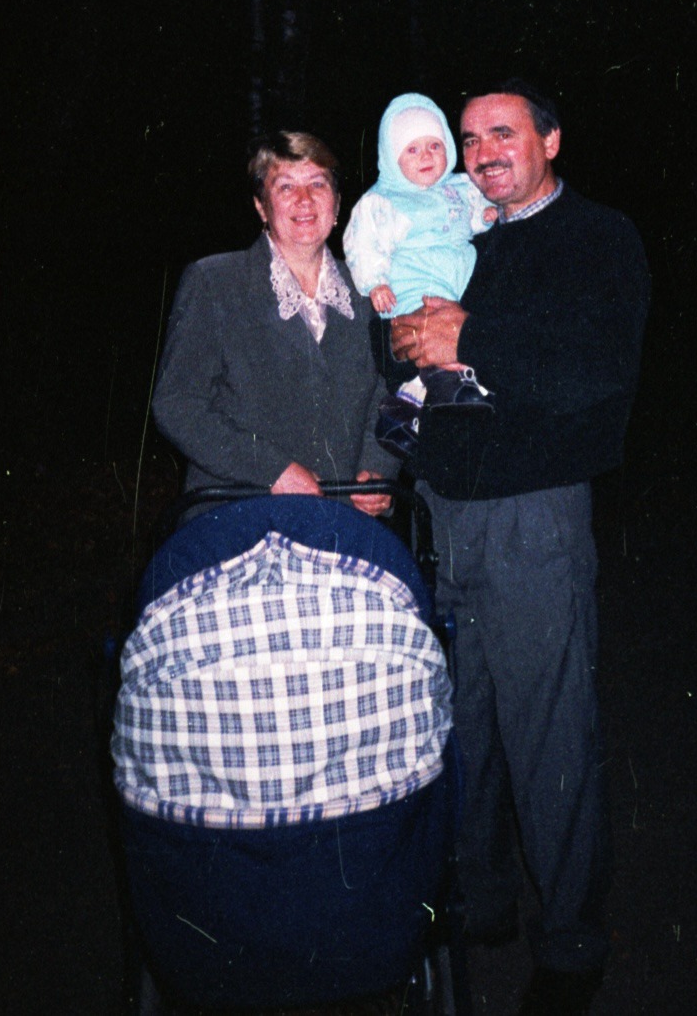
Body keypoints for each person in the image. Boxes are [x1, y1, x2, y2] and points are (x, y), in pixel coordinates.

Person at [390, 79, 650, 1016]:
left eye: (502, 132)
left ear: (549, 137)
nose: (482, 149)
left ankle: (573, 944)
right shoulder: (465, 236)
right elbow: (425, 348)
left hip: (532, 516)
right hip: (443, 512)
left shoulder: (596, 237)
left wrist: (468, 336)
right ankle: (480, 901)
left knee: (549, 731)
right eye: (468, 136)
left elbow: (593, 370)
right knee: (456, 724)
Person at [152, 131, 394, 516]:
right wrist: (272, 471)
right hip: (237, 517)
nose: (305, 200)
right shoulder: (215, 282)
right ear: (261, 207)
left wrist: (378, 469)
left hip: (343, 522)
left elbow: (392, 394)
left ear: (337, 204)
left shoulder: (372, 290)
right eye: (285, 187)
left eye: (318, 184)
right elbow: (177, 404)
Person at [343, 92, 493, 426]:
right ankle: (434, 388)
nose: (426, 156)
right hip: (415, 283)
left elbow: (473, 216)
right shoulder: (384, 201)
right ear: (392, 156)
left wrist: (486, 216)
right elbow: (364, 242)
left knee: (463, 329)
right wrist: (375, 282)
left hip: (458, 277)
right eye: (412, 150)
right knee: (428, 334)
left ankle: (413, 398)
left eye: (434, 146)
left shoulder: (460, 186)